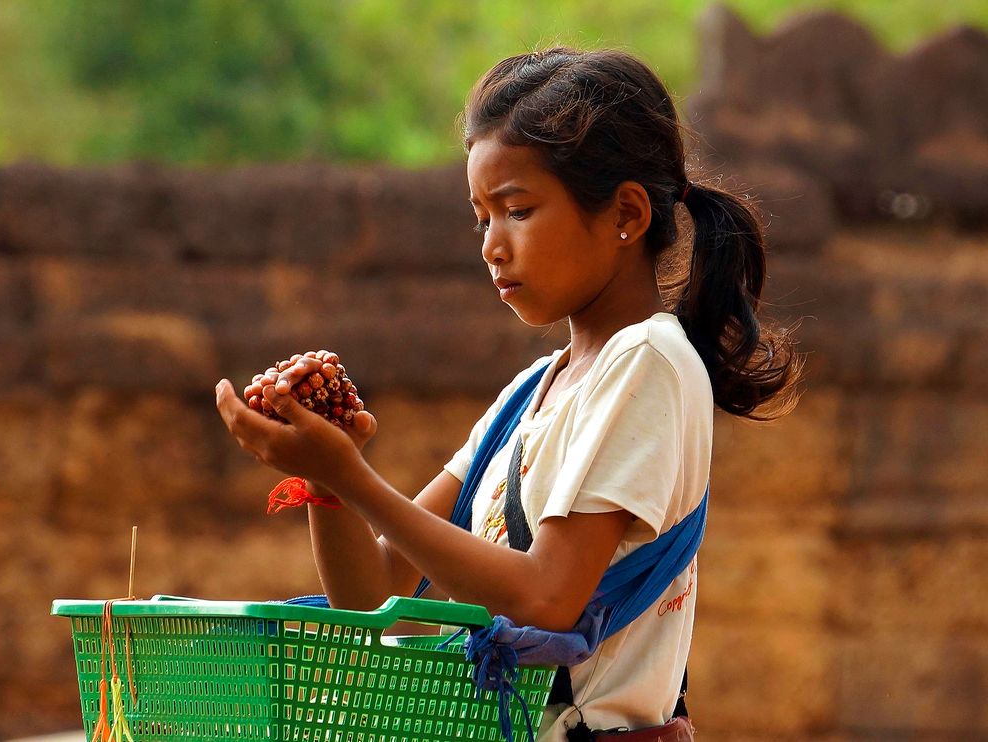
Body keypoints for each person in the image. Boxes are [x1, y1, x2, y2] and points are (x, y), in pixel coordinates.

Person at [215, 47, 800, 741]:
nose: (492, 245)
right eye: (481, 218)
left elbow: (548, 599)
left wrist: (355, 476)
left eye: (517, 210)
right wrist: (329, 478)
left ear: (627, 215)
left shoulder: (648, 361)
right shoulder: (533, 392)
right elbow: (375, 596)